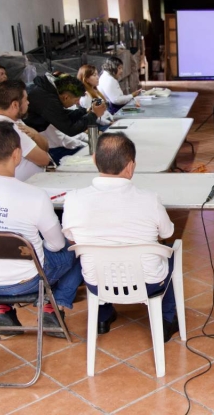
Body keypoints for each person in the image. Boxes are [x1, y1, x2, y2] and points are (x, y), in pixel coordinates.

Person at [0, 122, 82, 337]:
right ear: (17, 154)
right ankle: (52, 308)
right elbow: (56, 245)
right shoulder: (34, 195)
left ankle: (2, 310)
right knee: (76, 249)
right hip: (27, 281)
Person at [62, 133, 179, 339]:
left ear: (94, 160)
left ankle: (103, 317)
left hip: (98, 282)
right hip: (148, 282)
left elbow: (72, 240)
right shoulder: (149, 199)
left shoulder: (73, 199)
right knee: (171, 251)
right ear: (131, 166)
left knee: (95, 252)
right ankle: (166, 321)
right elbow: (167, 233)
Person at [24, 73, 107, 163]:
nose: (75, 104)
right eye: (75, 101)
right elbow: (70, 129)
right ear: (66, 97)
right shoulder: (47, 100)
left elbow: (63, 115)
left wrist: (87, 110)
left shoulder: (49, 91)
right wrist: (94, 115)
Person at [0, 80, 50, 181]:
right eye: (26, 99)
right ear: (15, 105)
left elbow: (45, 147)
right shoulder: (10, 128)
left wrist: (35, 134)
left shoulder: (7, 120)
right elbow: (44, 159)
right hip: (29, 185)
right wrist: (36, 135)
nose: (28, 103)